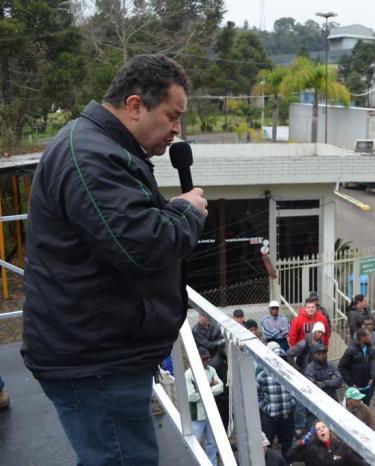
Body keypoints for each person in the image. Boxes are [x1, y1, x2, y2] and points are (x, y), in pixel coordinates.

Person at [21, 55, 206, 465]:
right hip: (95, 362)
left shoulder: (97, 145)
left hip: (95, 350)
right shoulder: (92, 157)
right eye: (172, 115)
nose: (177, 130)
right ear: (135, 105)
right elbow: (143, 246)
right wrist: (187, 212)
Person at [186, 347, 224, 466]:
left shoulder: (211, 370)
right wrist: (210, 387)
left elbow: (221, 387)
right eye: (205, 358)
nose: (208, 360)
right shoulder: (188, 374)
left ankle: (212, 464)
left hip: (210, 412)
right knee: (194, 443)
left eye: (209, 357)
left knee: (212, 443)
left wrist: (202, 390)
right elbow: (191, 396)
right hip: (197, 415)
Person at [258, 342, 296, 455]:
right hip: (270, 418)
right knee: (267, 445)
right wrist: (267, 408)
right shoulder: (263, 376)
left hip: (287, 417)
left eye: (282, 359)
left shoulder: (290, 374)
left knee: (287, 444)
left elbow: (295, 391)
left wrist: (292, 403)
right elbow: (257, 395)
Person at [287, 420, 364, 465]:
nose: (321, 429)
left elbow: (357, 463)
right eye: (318, 429)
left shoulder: (341, 446)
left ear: (329, 430)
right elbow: (290, 456)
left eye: (324, 427)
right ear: (315, 433)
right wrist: (302, 442)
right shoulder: (309, 449)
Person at [338, 329, 375, 404]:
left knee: (365, 407)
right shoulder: (351, 350)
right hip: (355, 387)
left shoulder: (369, 348)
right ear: (362, 338)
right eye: (368, 335)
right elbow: (341, 367)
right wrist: (351, 384)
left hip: (366, 386)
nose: (370, 337)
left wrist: (370, 376)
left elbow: (369, 363)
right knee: (354, 409)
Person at [362, 317, 375, 403]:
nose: (369, 326)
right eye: (367, 324)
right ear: (363, 325)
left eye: (371, 324)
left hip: (371, 369)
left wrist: (370, 345)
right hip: (360, 371)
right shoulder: (358, 335)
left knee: (369, 395)